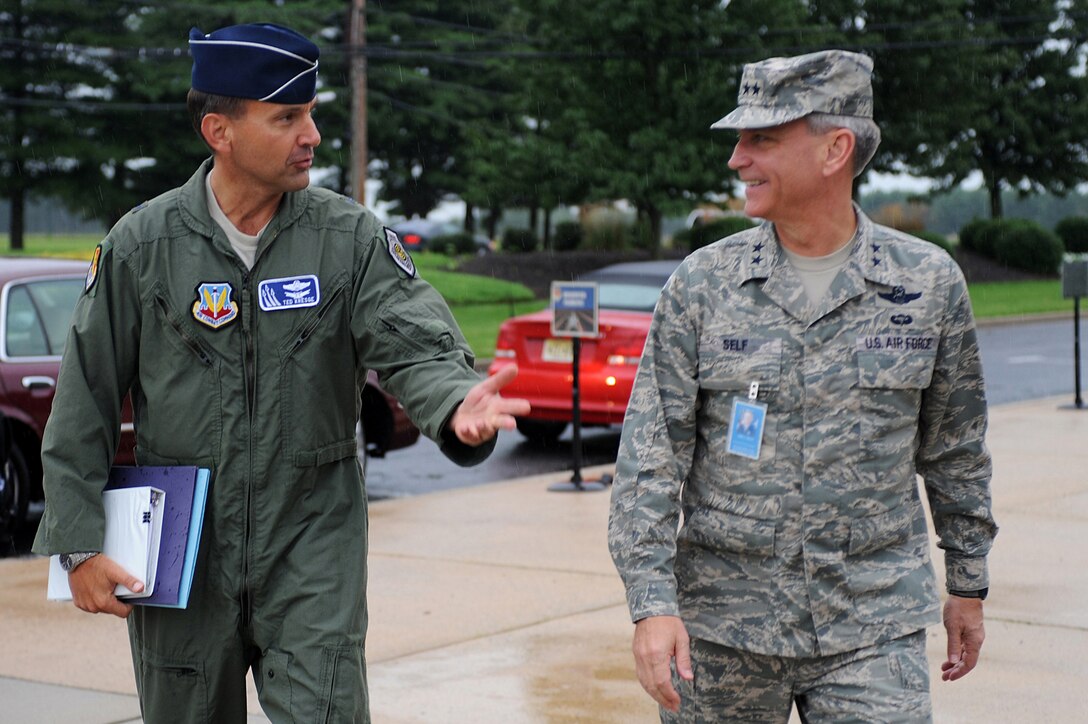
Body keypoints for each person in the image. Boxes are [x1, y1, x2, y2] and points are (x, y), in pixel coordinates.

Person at [32, 22, 528, 723]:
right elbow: (84, 398)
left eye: (312, 113)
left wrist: (454, 404)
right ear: (219, 131)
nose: (313, 136)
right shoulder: (142, 246)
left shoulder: (348, 239)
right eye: (287, 117)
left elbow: (414, 339)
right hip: (185, 551)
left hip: (312, 542)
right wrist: (78, 544)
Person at [608, 49, 996, 722]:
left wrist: (968, 580)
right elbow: (650, 460)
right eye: (738, 139)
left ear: (834, 149)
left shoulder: (927, 284)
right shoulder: (702, 286)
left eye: (762, 138)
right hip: (723, 630)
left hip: (871, 623)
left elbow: (955, 447)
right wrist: (652, 604)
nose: (737, 159)